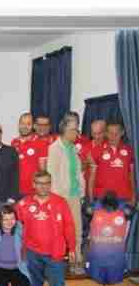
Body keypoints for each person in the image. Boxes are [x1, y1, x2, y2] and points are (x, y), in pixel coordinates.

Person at [16, 170, 75, 286]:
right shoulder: (23, 204)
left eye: (47, 183)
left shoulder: (61, 202)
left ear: (50, 184)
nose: (44, 186)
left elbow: (69, 226)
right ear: (33, 184)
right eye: (40, 183)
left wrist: (72, 248)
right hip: (32, 254)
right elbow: (16, 229)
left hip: (55, 254)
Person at [47, 115, 85, 272]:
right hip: (60, 197)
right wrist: (56, 199)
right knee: (59, 232)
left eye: (77, 129)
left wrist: (81, 193)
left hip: (74, 196)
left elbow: (78, 173)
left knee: (77, 230)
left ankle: (76, 262)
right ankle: (56, 263)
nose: (77, 132)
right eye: (74, 129)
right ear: (65, 130)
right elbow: (51, 175)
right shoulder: (55, 148)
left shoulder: (73, 148)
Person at [85, 192, 131, 286]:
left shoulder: (125, 210)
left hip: (116, 261)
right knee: (96, 284)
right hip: (96, 260)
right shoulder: (93, 209)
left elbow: (131, 211)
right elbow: (87, 210)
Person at [89, 120, 136, 208]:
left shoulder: (129, 151)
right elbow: (92, 177)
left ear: (122, 133)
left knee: (121, 222)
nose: (113, 136)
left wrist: (133, 197)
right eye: (110, 133)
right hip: (100, 198)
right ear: (106, 133)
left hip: (123, 198)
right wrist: (91, 200)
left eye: (116, 133)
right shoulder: (96, 151)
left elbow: (131, 176)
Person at [12, 113, 49, 198]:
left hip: (32, 191)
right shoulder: (14, 142)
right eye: (22, 123)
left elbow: (43, 170)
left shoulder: (41, 142)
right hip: (15, 190)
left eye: (28, 124)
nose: (24, 126)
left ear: (33, 126)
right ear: (19, 125)